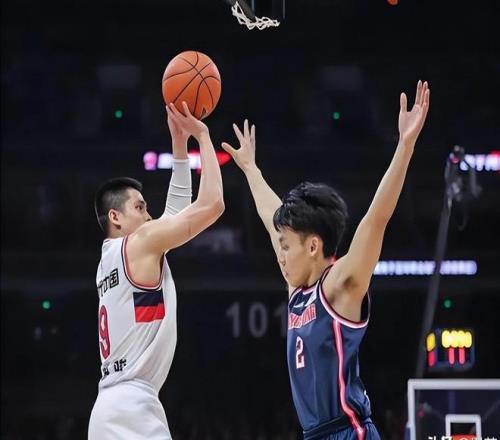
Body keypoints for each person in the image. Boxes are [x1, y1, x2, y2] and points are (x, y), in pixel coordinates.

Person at [221, 81, 430, 440]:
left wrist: (405, 146)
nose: (280, 255)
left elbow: (375, 220)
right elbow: (273, 220)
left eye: (287, 247)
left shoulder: (339, 285)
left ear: (313, 246)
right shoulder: (297, 290)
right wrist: (251, 169)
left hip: (349, 432)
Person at [88, 102, 224, 440]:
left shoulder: (109, 259)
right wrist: (203, 137)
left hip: (107, 407)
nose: (148, 216)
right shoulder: (141, 243)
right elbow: (213, 205)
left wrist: (179, 146)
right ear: (115, 217)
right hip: (133, 406)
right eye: (139, 207)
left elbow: (174, 216)